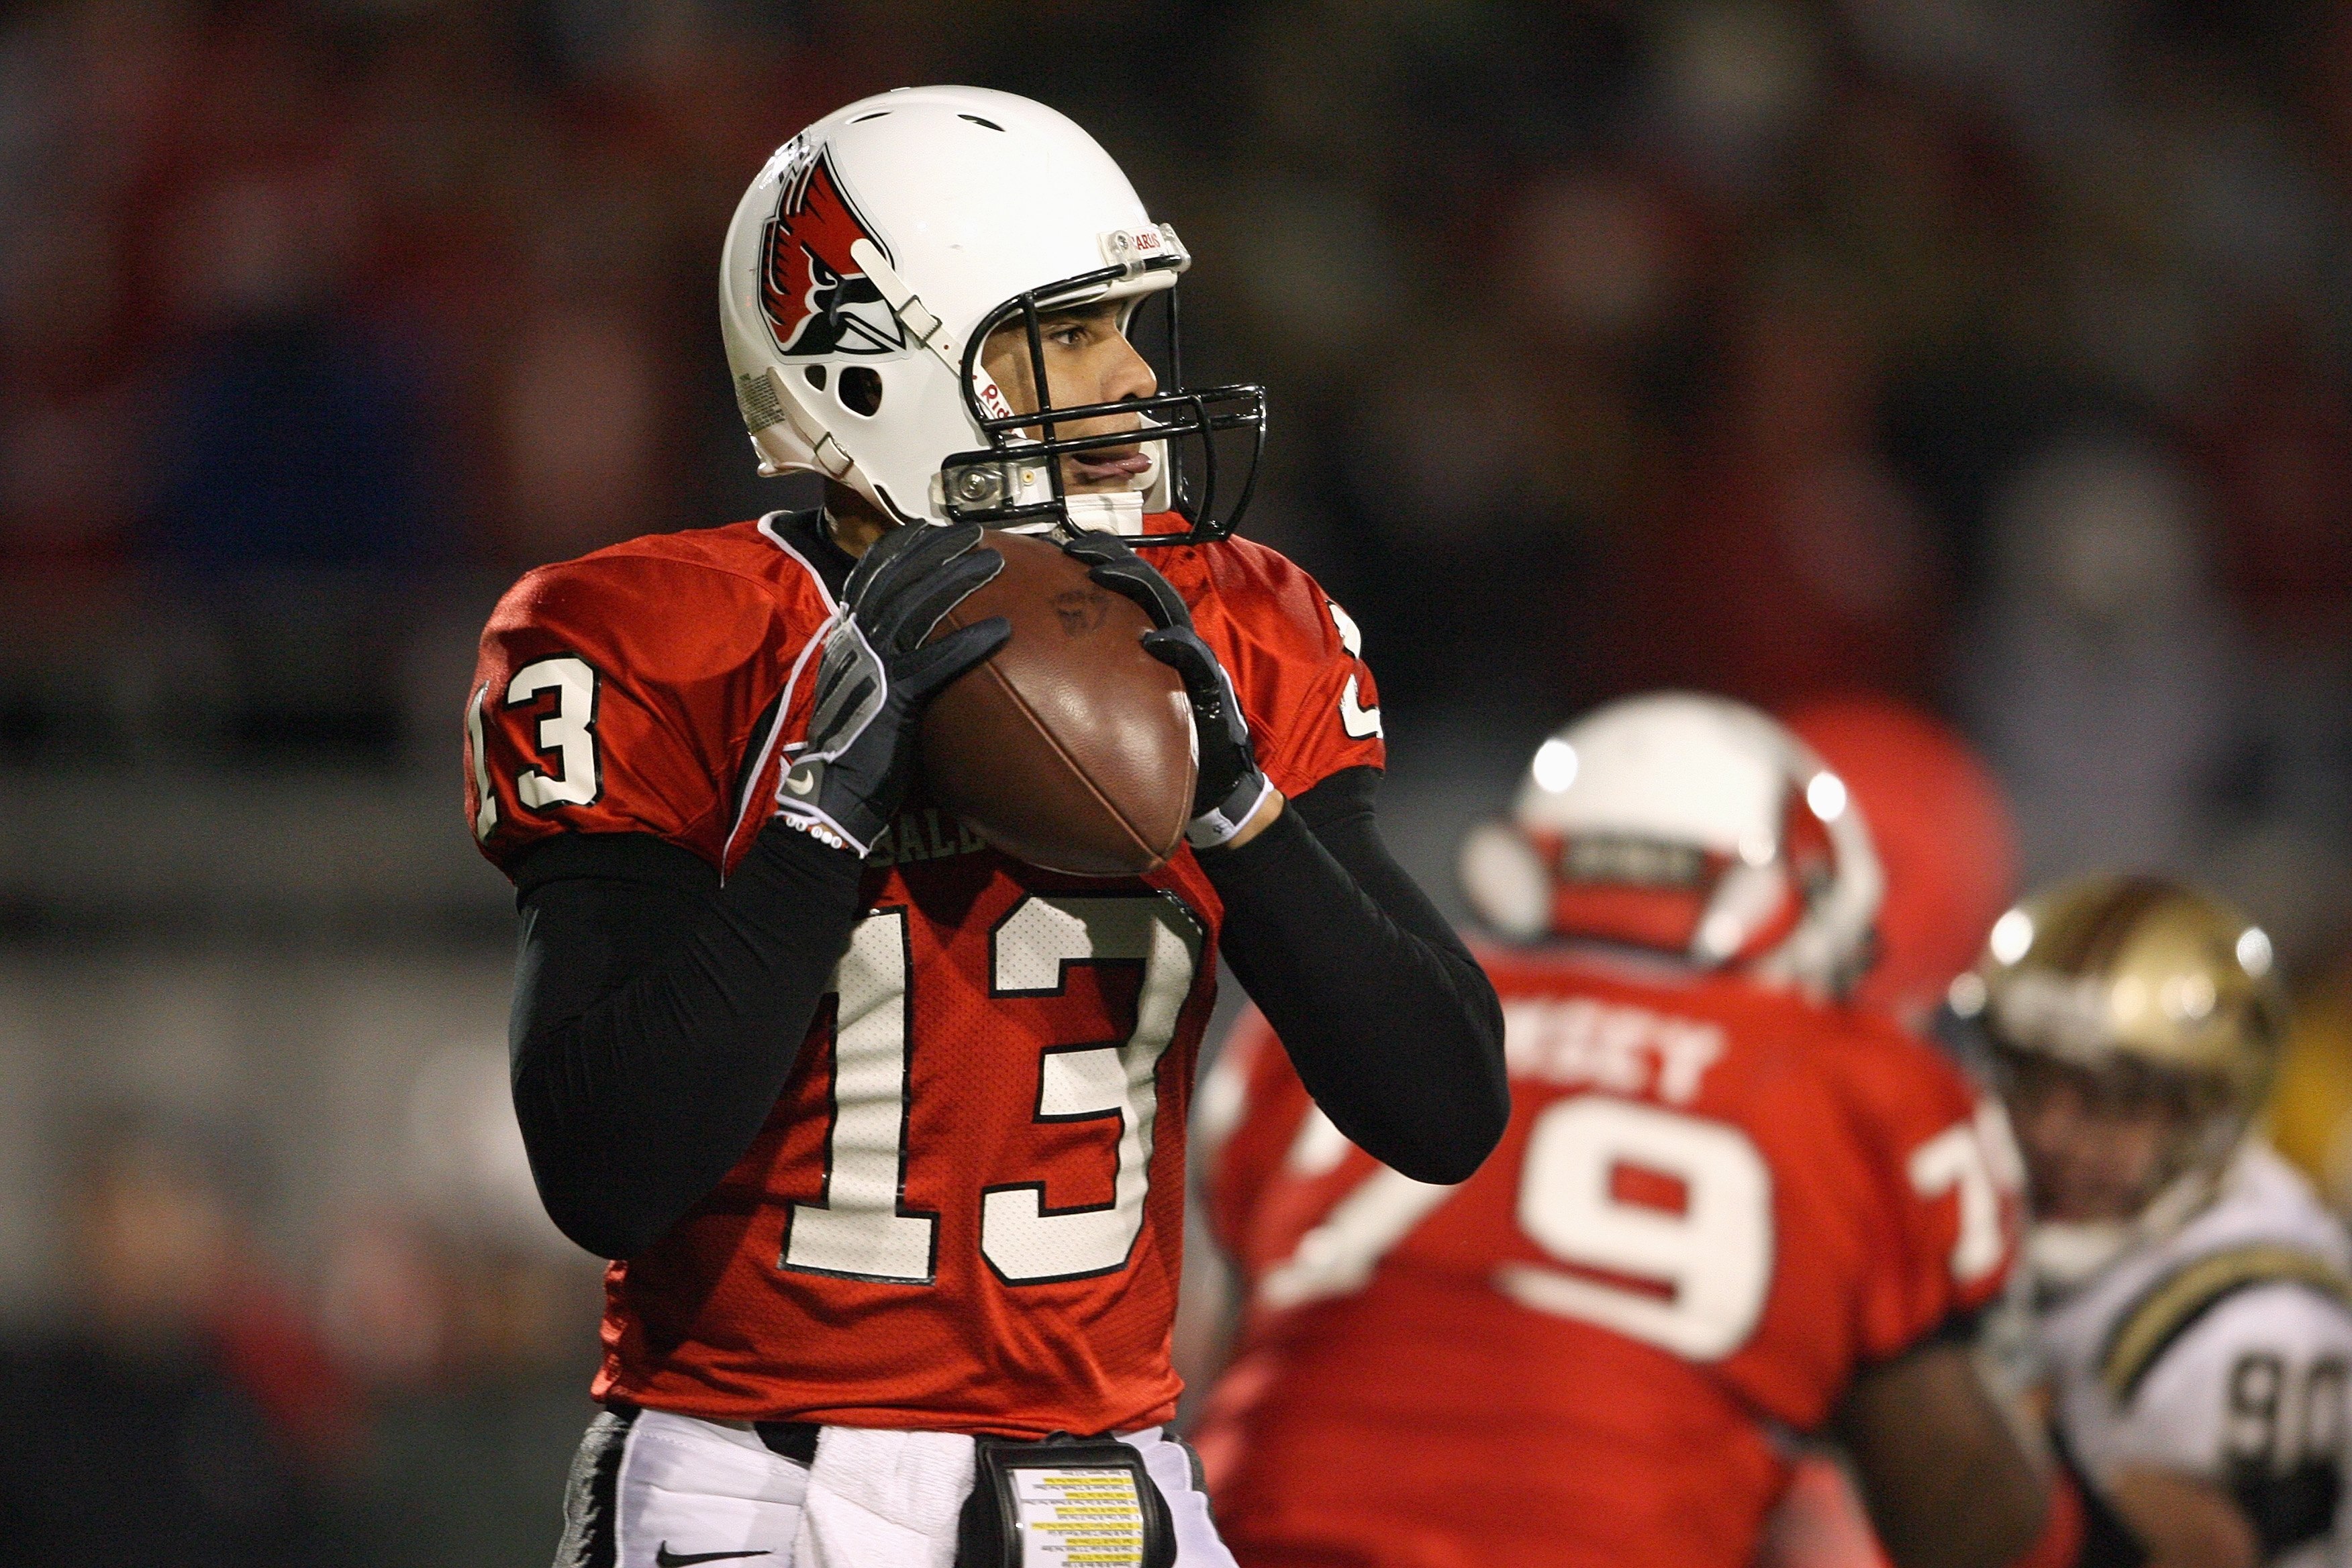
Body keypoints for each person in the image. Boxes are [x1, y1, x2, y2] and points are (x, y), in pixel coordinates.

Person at [460, 86, 1506, 1568]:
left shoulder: (1231, 631)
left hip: (1106, 1482)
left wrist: (1238, 808)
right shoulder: (663, 636)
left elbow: (1444, 1106)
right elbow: (606, 1168)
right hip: (760, 1485)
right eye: (1073, 333)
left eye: (1129, 325)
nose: (1135, 376)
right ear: (879, 363)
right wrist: (827, 810)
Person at [1193, 691, 2069, 1568]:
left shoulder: (1347, 1017)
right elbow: (1968, 1527)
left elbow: (1227, 1352)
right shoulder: (1857, 1078)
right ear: (1805, 899)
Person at [1967, 876, 2352, 1568]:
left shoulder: (2257, 1319)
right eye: (2032, 1075)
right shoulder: (1990, 1196)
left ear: (2209, 1114)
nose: (2051, 1132)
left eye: (2114, 1100)